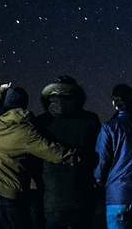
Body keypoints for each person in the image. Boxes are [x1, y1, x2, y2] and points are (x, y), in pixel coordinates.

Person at [0, 83, 78, 229]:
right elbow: (53, 152)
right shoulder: (26, 131)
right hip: (13, 202)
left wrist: (1, 90)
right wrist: (76, 157)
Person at [35, 76, 101, 229]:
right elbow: (98, 154)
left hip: (51, 198)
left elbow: (33, 160)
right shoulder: (90, 119)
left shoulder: (41, 122)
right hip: (82, 196)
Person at [95, 84, 132, 229]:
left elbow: (102, 160)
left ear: (115, 102)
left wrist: (99, 180)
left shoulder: (109, 128)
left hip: (117, 196)